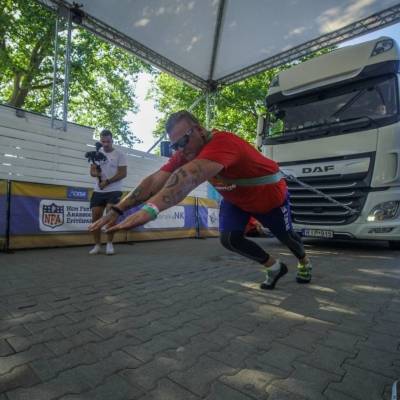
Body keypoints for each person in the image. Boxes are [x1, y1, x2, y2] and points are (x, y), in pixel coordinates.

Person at [89, 111, 312, 289]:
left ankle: (304, 261)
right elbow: (156, 179)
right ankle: (274, 267)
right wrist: (119, 209)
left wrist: (151, 209)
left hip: (268, 198)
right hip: (236, 200)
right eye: (174, 146)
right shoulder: (186, 152)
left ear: (198, 130)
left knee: (286, 237)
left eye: (183, 142)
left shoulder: (223, 142)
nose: (180, 150)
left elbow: (188, 177)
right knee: (229, 239)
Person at [89, 129, 127, 255]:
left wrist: (108, 182)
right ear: (100, 141)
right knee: (95, 218)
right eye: (103, 141)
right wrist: (96, 174)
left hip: (114, 190)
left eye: (108, 141)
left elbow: (123, 173)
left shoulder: (119, 154)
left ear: (112, 141)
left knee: (110, 217)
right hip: (98, 190)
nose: (105, 144)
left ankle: (109, 244)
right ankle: (97, 245)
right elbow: (92, 172)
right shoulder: (96, 153)